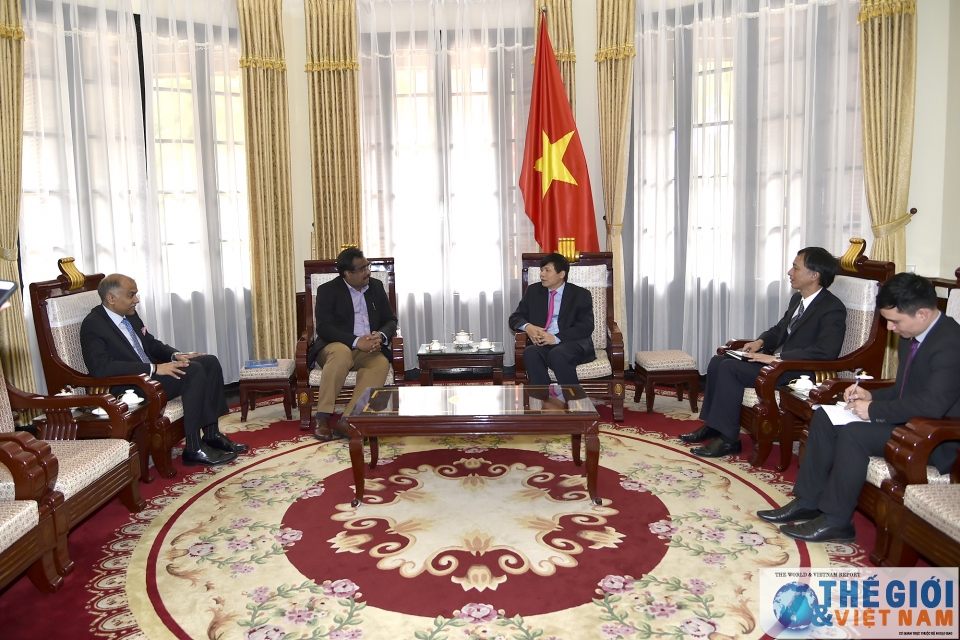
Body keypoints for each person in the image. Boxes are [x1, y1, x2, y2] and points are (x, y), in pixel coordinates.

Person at [758, 273, 960, 543]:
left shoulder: (950, 344)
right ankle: (808, 502)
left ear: (922, 313)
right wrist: (870, 395)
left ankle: (836, 521)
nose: (890, 328)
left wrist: (873, 410)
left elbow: (932, 404)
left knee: (854, 434)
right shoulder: (911, 333)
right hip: (911, 421)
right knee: (825, 416)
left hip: (935, 438)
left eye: (895, 321)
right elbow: (905, 390)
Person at [683, 247, 847, 458]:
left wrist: (777, 358)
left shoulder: (832, 308)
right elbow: (780, 329)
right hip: (779, 364)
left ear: (814, 275)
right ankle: (714, 426)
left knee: (730, 368)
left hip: (797, 371)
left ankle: (728, 440)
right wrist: (759, 342)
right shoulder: (798, 300)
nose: (790, 272)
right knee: (717, 361)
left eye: (796, 268)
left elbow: (826, 351)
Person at [80, 274, 246, 467]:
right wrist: (154, 368)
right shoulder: (94, 325)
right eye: (131, 295)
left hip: (150, 377)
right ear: (111, 298)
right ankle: (194, 448)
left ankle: (212, 435)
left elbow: (150, 343)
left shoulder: (130, 316)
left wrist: (176, 355)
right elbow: (101, 367)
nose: (136, 300)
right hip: (131, 386)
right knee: (193, 371)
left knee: (209, 362)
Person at [307, 248, 398, 441]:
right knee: (341, 353)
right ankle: (322, 417)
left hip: (368, 349)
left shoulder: (376, 287)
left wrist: (380, 336)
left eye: (368, 266)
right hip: (334, 346)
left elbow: (390, 319)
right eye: (363, 268)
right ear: (348, 273)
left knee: (380, 363)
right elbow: (323, 327)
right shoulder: (328, 290)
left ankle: (349, 420)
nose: (368, 272)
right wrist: (356, 341)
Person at [509, 252, 595, 385]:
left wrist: (556, 338)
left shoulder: (580, 294)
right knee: (530, 352)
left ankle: (572, 396)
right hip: (544, 343)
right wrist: (528, 327)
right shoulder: (533, 291)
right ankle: (543, 395)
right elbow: (515, 318)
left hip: (572, 343)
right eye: (541, 270)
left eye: (547, 270)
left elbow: (586, 326)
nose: (542, 274)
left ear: (561, 274)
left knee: (558, 354)